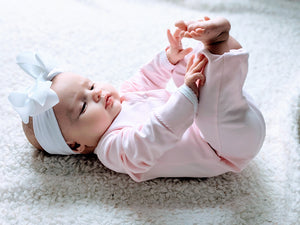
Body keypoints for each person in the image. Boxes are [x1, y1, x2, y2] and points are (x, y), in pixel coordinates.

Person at [9, 17, 265, 182]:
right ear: (77, 145)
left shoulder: (121, 98)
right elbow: (151, 138)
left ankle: (218, 47)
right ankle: (221, 42)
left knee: (189, 69)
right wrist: (186, 93)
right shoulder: (112, 150)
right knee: (201, 86)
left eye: (91, 85)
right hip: (221, 146)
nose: (97, 93)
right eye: (84, 106)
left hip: (216, 119)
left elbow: (145, 77)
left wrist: (169, 58)